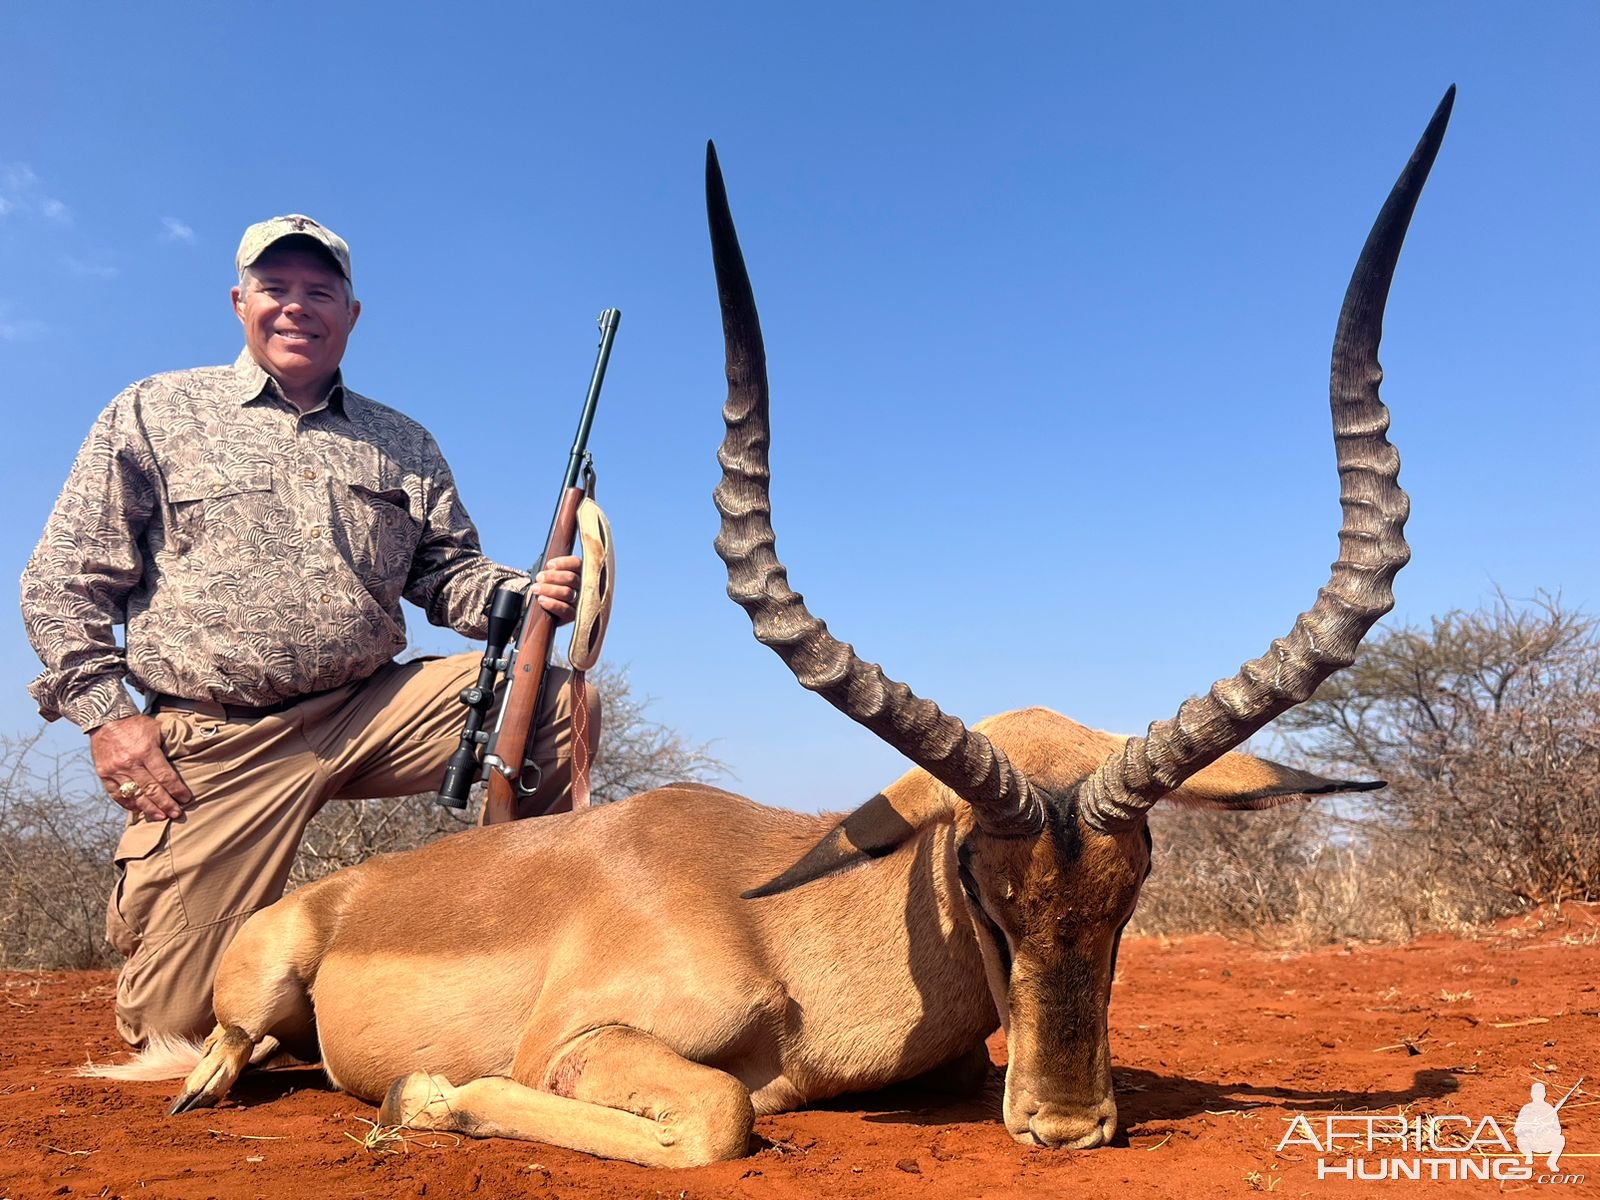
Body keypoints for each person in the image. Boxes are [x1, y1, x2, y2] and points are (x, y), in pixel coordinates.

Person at [20, 214, 599, 1048]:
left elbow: (446, 575)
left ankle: (516, 937)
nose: (297, 308)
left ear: (351, 315)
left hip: (370, 710)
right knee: (173, 1033)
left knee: (553, 698)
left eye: (319, 291)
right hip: (217, 739)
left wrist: (527, 589)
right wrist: (108, 717)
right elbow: (65, 578)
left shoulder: (402, 441)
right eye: (276, 289)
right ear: (239, 301)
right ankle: (326, 968)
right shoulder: (154, 410)